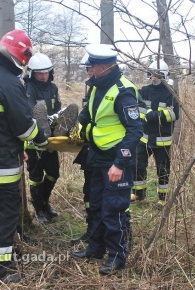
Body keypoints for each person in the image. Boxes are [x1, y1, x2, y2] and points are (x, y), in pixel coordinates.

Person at [0, 29, 48, 284]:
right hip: (0, 168)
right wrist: (40, 139)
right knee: (3, 220)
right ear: (22, 57)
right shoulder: (10, 83)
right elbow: (24, 127)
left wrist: (15, 145)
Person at [71, 44, 142, 275]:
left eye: (92, 66)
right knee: (98, 205)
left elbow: (135, 131)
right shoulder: (97, 86)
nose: (89, 70)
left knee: (114, 210)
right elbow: (88, 116)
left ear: (104, 66)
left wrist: (119, 164)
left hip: (116, 160)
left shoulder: (123, 91)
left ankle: (117, 256)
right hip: (98, 157)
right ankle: (96, 248)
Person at [23, 53, 78, 224]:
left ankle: (44, 202)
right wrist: (41, 124)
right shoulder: (28, 88)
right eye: (40, 73)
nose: (44, 76)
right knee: (36, 176)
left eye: (47, 72)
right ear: (32, 73)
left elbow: (58, 108)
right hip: (33, 140)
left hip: (51, 141)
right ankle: (38, 209)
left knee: (54, 173)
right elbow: (28, 112)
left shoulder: (53, 88)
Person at [130, 60, 180, 209]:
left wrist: (154, 116)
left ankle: (162, 199)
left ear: (163, 76)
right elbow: (136, 109)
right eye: (151, 74)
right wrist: (145, 115)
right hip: (144, 137)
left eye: (156, 75)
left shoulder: (170, 93)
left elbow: (174, 113)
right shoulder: (144, 91)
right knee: (138, 165)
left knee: (163, 169)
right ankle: (139, 193)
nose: (153, 77)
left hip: (162, 140)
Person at [71, 53, 95, 244]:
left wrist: (83, 132)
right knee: (88, 192)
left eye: (90, 68)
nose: (88, 72)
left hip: (106, 154)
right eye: (87, 69)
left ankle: (108, 236)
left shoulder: (115, 91)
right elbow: (84, 118)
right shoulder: (92, 90)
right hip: (90, 151)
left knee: (102, 195)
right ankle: (91, 229)